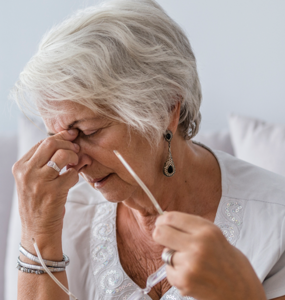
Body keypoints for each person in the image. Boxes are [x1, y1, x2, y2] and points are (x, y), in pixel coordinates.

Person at [11, 0, 285, 299]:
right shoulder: (64, 211)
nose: (75, 161)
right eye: (58, 138)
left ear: (167, 107)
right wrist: (38, 233)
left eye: (90, 131)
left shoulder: (275, 223)